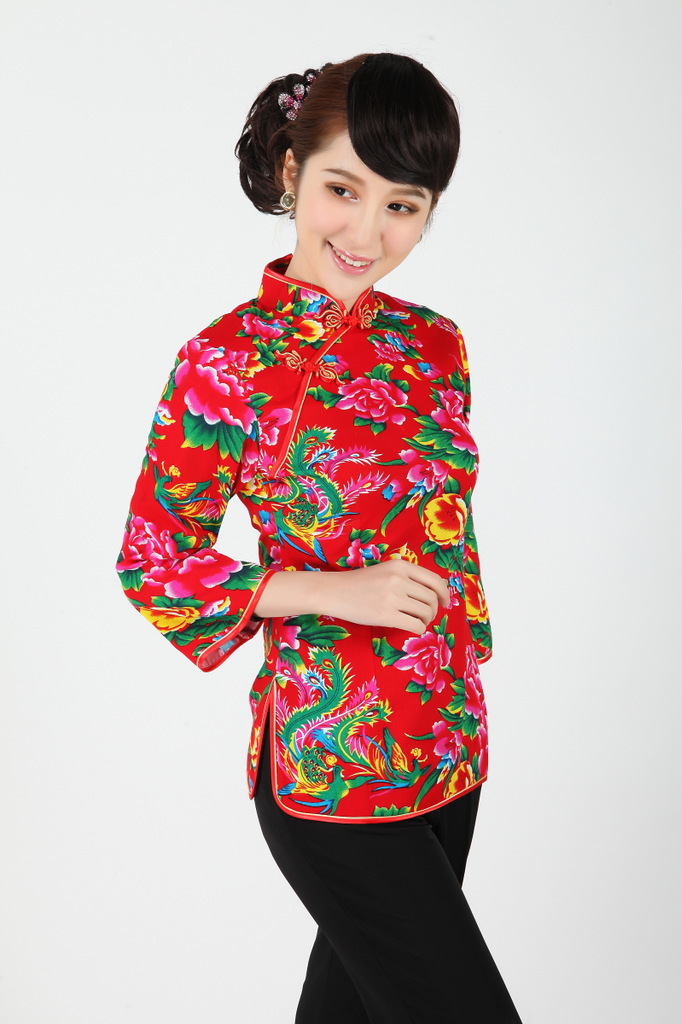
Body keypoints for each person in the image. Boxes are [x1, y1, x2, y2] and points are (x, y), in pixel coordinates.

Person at [116, 52, 522, 1024]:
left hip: (446, 739)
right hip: (328, 764)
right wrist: (331, 591)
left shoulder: (436, 344)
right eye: (345, 189)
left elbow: (445, 528)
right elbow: (153, 559)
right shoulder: (224, 363)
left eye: (403, 205)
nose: (368, 231)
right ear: (293, 172)